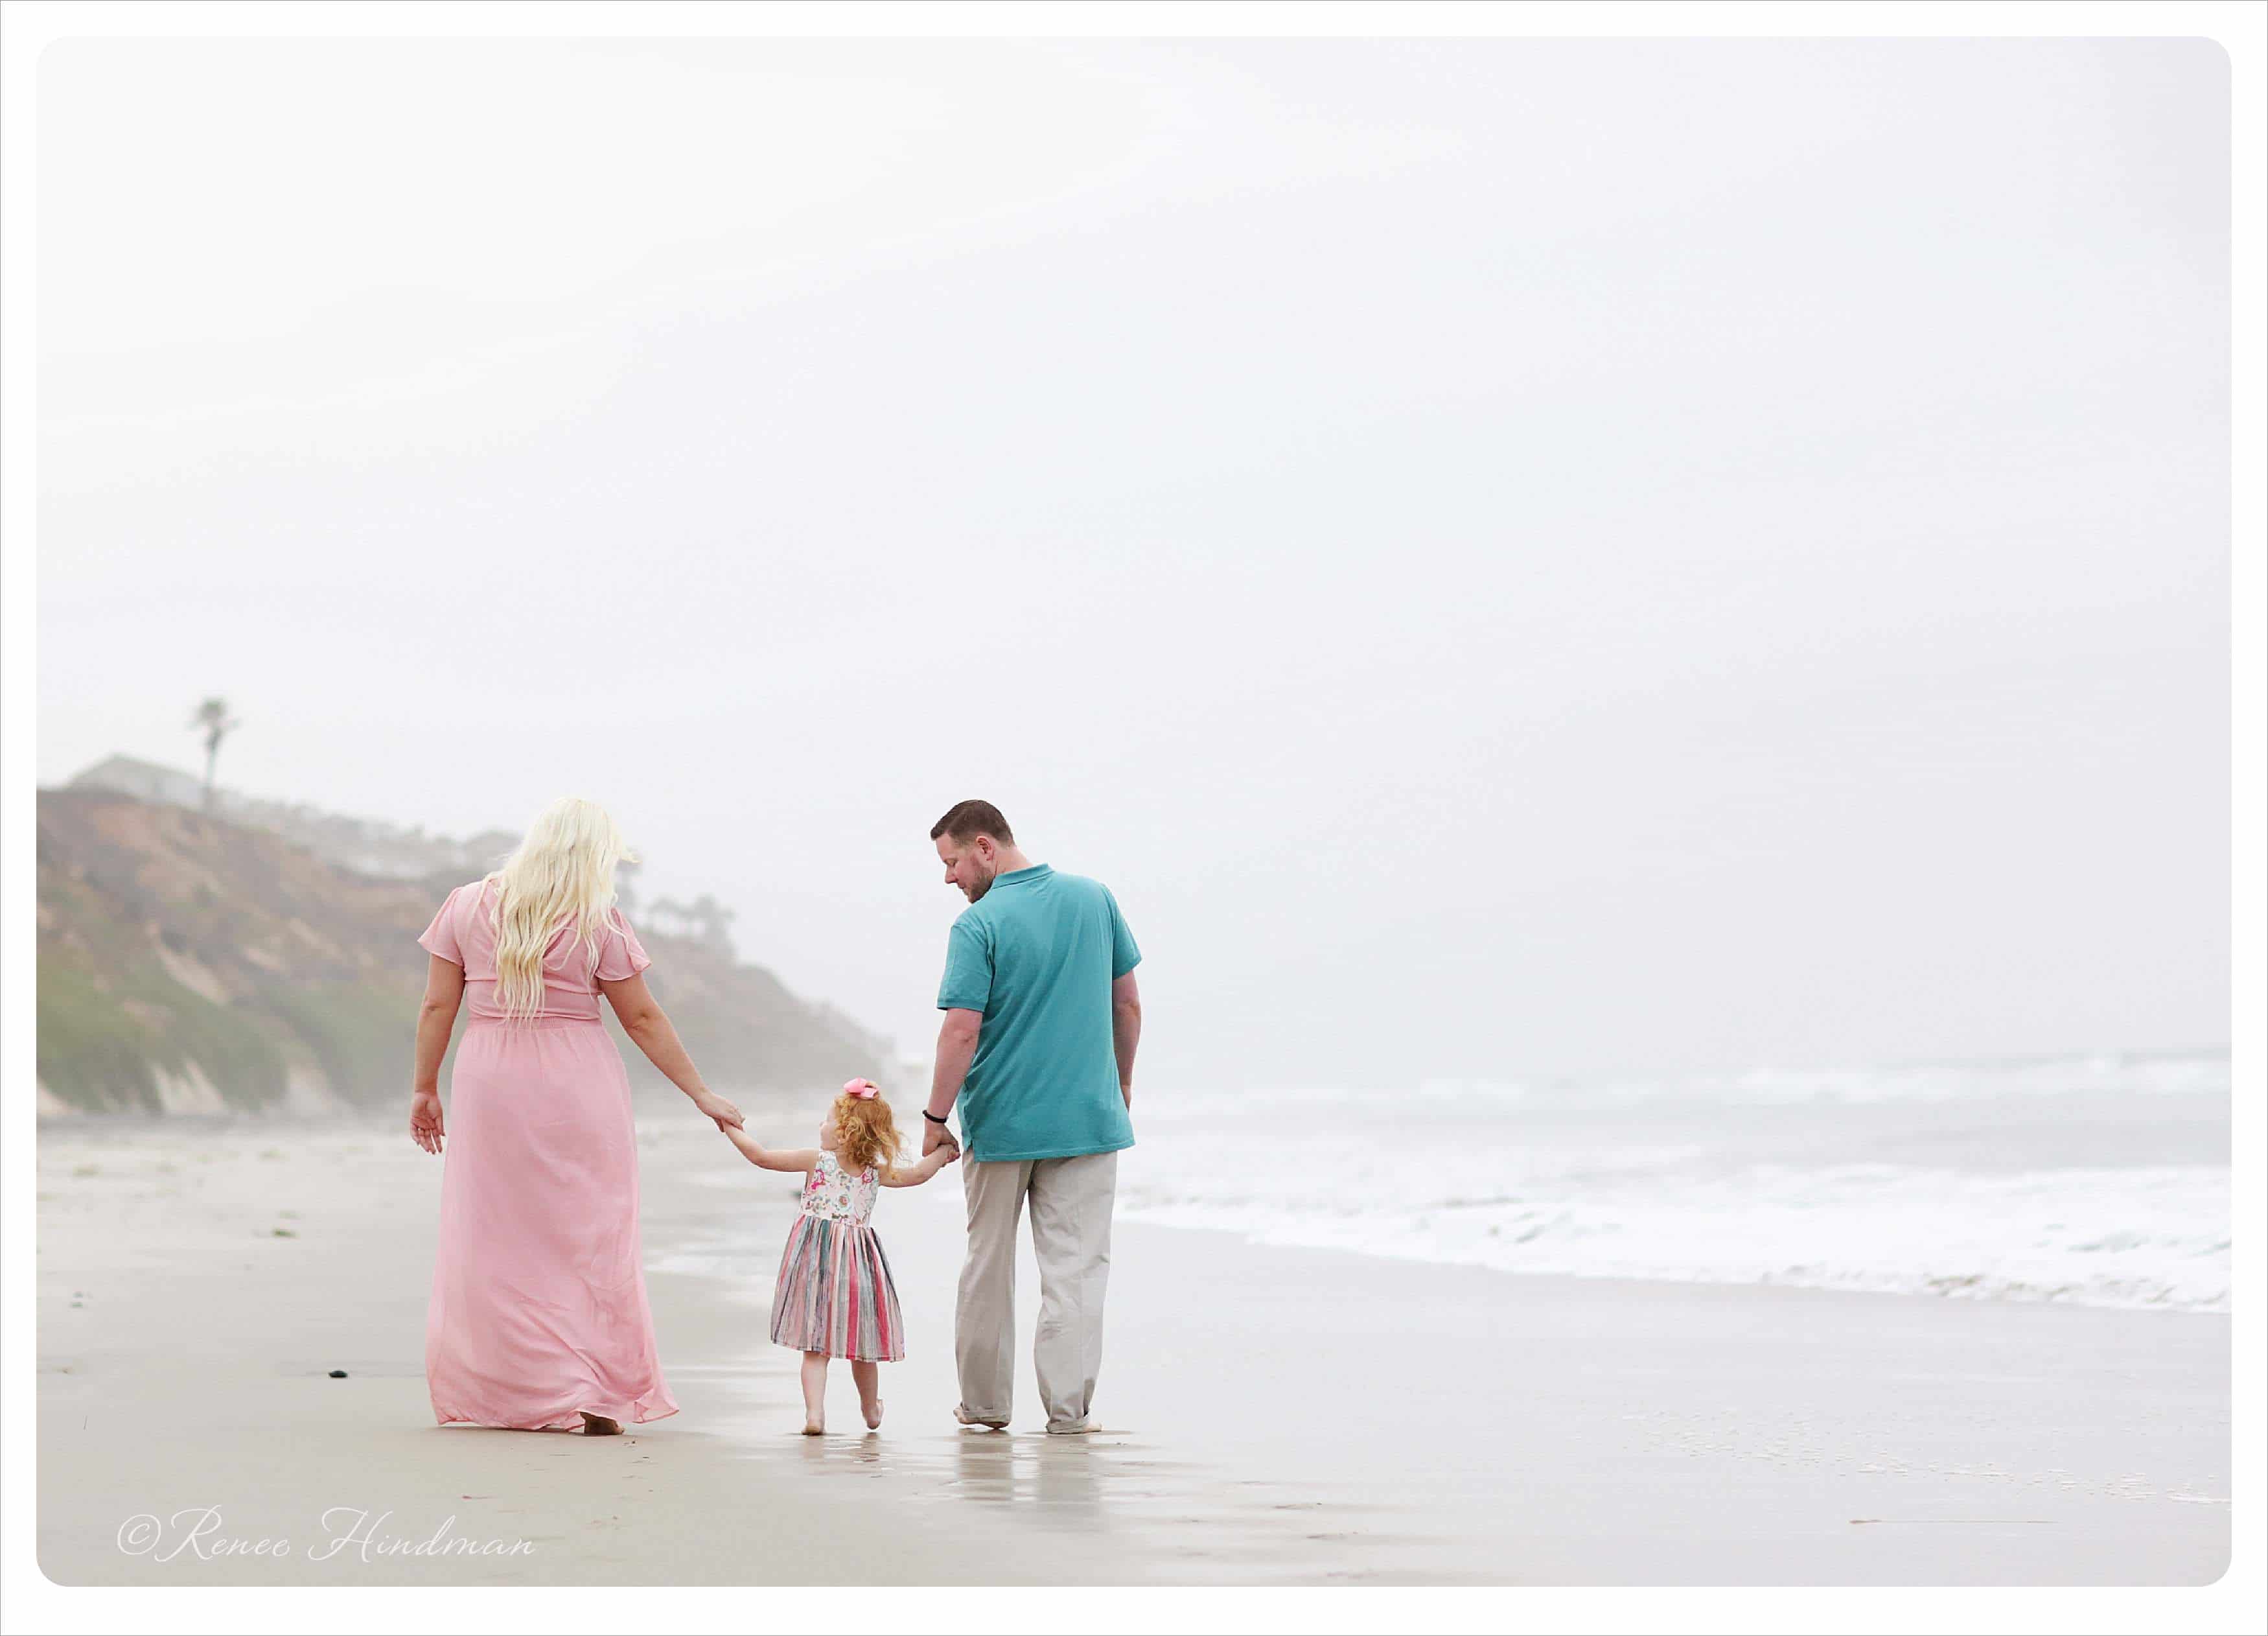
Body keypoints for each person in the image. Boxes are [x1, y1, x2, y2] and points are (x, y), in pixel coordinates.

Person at [409, 796, 745, 1435]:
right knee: (587, 1230)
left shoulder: (464, 905)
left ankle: (518, 1389)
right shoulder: (599, 922)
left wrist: (424, 1087)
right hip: (575, 1083)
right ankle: (588, 1387)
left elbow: (435, 1007)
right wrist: (700, 1093)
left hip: (489, 1078)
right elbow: (641, 1018)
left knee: (499, 1233)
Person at [921, 799, 1143, 1435]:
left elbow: (960, 1033)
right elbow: (1126, 1005)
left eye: (952, 861)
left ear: (985, 847)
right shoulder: (1094, 899)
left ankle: (985, 1406)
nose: (948, 878)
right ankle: (1069, 1412)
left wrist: (936, 1116)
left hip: (1001, 1124)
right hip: (1088, 1119)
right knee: (1074, 1271)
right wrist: (1120, 1083)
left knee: (987, 1265)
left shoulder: (978, 925)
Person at [721, 1078, 959, 1434]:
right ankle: (871, 1411)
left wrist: (728, 1127)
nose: (821, 1125)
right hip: (858, 1263)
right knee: (862, 1344)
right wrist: (944, 1153)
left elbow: (761, 1157)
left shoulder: (816, 1161)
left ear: (845, 1132)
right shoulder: (874, 1172)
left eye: (827, 1119)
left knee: (815, 1346)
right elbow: (918, 1175)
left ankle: (815, 1415)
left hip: (814, 1260)